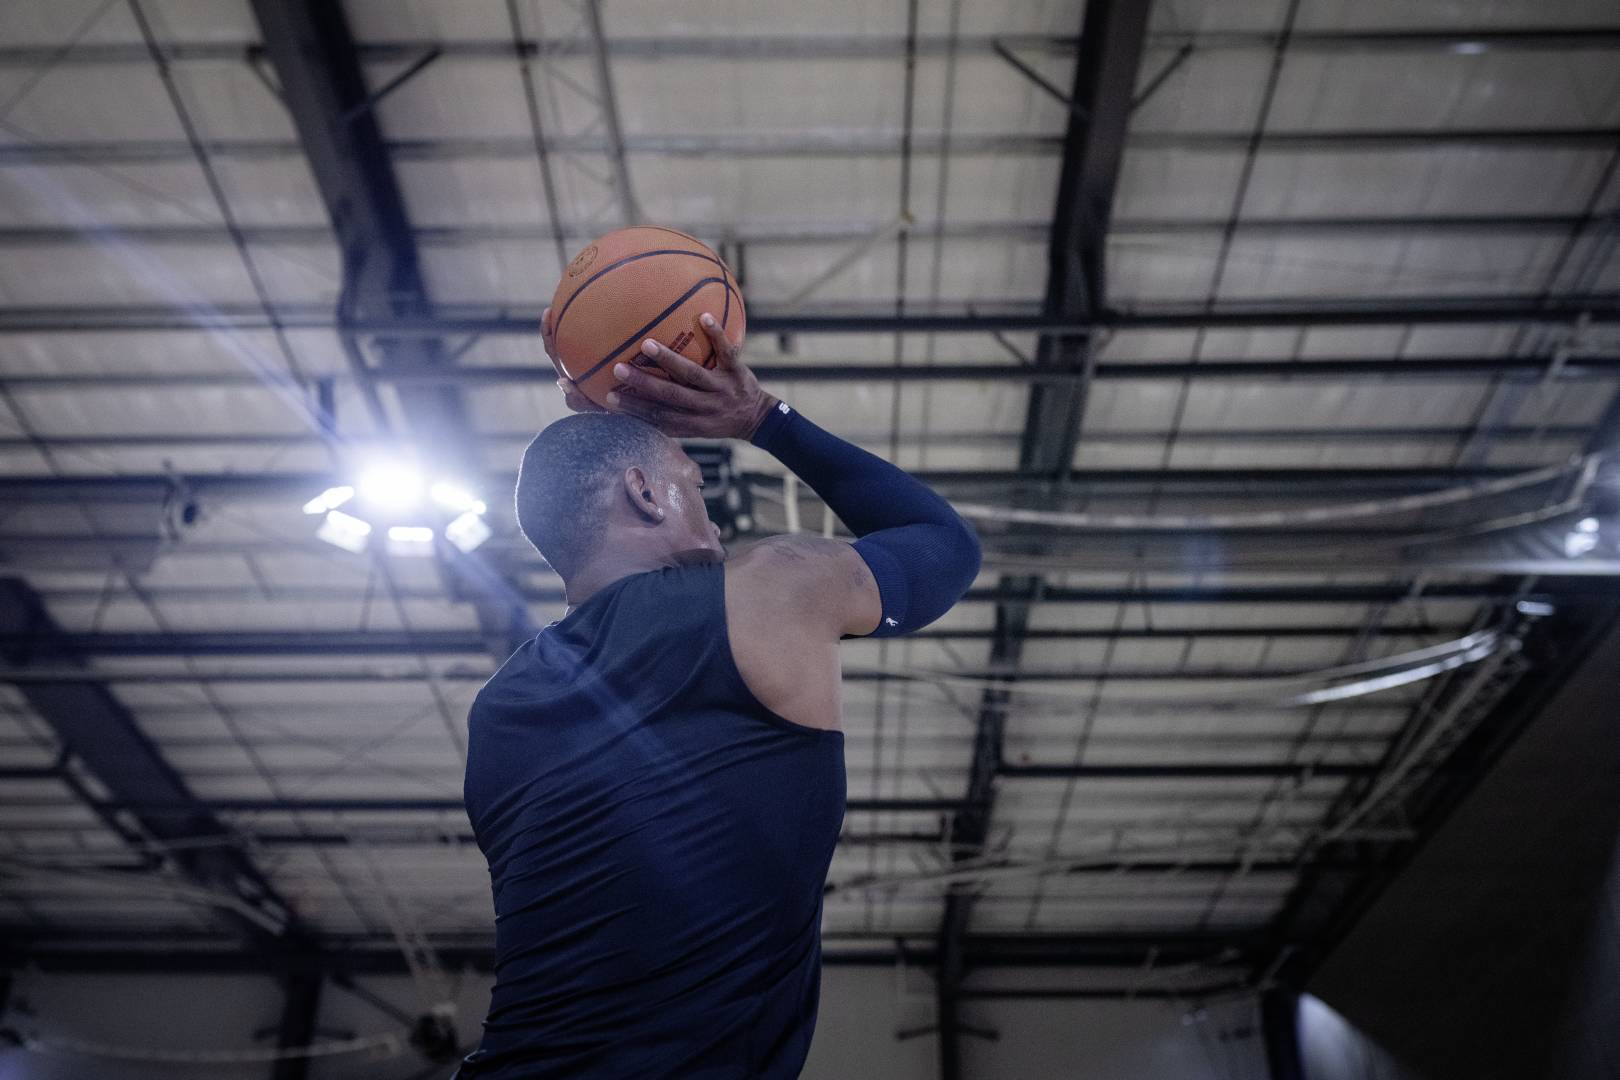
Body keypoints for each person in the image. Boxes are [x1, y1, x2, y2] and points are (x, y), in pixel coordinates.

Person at [454, 311, 981, 1078]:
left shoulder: (498, 710)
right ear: (645, 494)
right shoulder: (767, 592)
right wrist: (763, 419)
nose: (708, 512)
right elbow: (945, 546)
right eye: (693, 487)